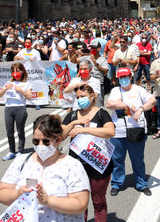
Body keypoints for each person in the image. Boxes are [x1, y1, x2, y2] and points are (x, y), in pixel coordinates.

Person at [0, 114, 90, 222]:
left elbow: (81, 204)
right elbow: (1, 193)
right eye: (36, 141)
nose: (40, 145)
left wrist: (48, 200)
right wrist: (18, 193)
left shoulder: (72, 165)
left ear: (58, 140)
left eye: (46, 141)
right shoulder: (21, 161)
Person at [62, 83, 115, 222]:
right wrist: (73, 124)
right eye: (78, 97)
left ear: (92, 96)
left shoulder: (101, 113)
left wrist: (84, 129)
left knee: (98, 201)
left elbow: (110, 132)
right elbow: (60, 136)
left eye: (83, 96)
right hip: (77, 167)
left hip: (98, 165)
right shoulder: (72, 115)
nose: (80, 99)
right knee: (80, 203)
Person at [106, 67, 156, 196]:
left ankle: (141, 184)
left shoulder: (138, 90)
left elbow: (152, 100)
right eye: (121, 77)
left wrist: (140, 109)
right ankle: (117, 183)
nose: (123, 79)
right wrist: (125, 105)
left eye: (125, 77)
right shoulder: (115, 90)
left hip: (136, 129)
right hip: (119, 131)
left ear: (130, 77)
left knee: (138, 160)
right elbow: (110, 104)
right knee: (117, 160)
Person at [0, 62, 33, 161]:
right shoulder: (8, 83)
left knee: (20, 130)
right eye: (13, 71)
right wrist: (5, 89)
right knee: (9, 131)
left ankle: (20, 151)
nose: (15, 73)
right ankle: (11, 151)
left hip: (20, 107)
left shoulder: (26, 84)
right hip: (9, 108)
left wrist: (20, 90)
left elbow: (29, 97)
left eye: (17, 70)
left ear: (22, 71)